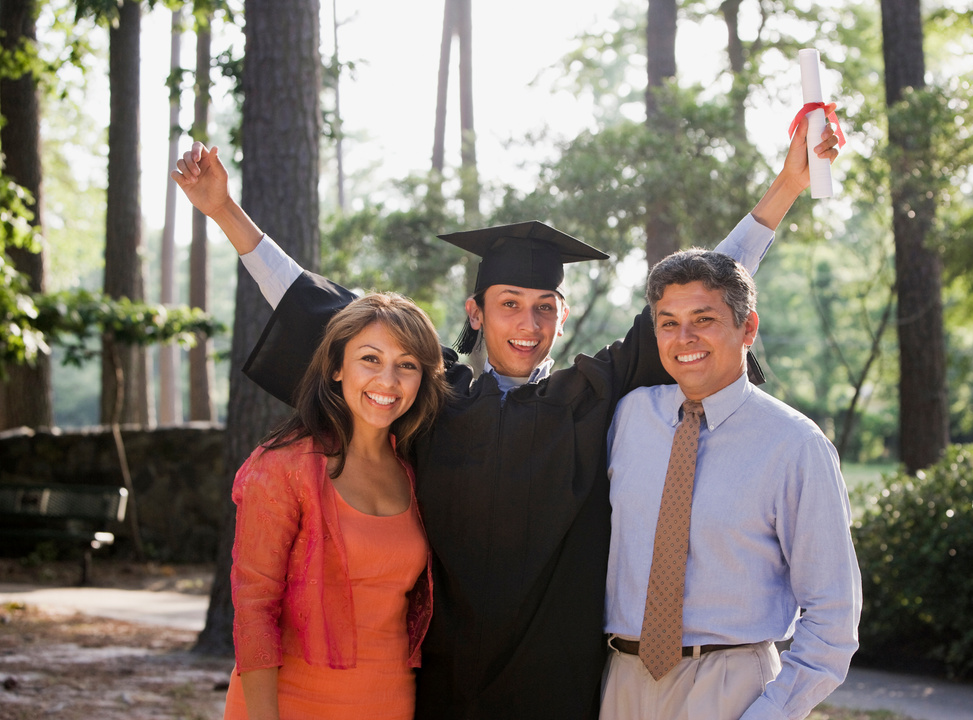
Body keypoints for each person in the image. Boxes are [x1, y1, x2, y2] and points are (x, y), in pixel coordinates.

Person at [172, 111, 839, 720]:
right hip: (440, 686)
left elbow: (697, 298)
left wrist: (784, 190)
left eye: (544, 306)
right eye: (509, 304)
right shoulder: (432, 397)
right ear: (475, 313)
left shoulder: (590, 398)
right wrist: (226, 211)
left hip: (560, 690)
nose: (528, 323)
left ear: (563, 315)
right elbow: (321, 309)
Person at [601, 249, 861, 720]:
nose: (685, 339)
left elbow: (833, 616)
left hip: (731, 687)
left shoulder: (796, 445)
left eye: (704, 319)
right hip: (621, 681)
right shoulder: (628, 417)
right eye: (668, 323)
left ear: (748, 327)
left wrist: (773, 712)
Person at [222, 292, 450, 720]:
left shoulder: (417, 470)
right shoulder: (284, 465)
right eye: (370, 358)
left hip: (389, 700)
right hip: (290, 701)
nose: (388, 381)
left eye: (407, 365)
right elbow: (254, 608)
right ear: (335, 367)